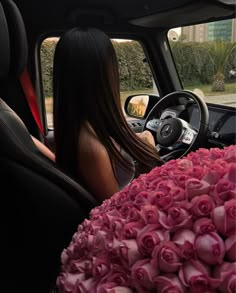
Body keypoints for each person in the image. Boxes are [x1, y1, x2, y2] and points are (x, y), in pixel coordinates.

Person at [38, 27, 163, 201]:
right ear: (106, 73)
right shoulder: (92, 145)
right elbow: (115, 213)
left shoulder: (82, 129)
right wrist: (149, 145)